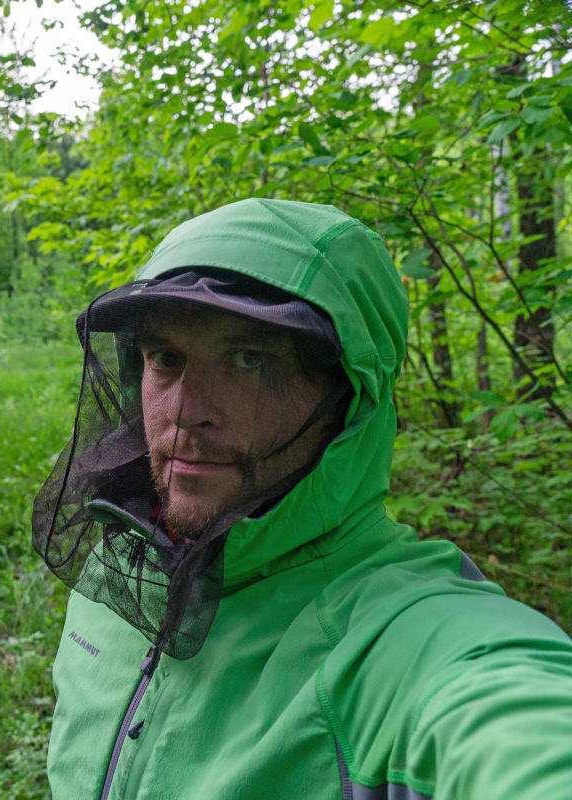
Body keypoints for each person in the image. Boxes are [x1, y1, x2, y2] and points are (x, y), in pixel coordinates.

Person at [31, 198, 572, 800]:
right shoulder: (123, 572)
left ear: (350, 397)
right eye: (167, 358)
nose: (186, 413)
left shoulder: (398, 639)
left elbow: (511, 720)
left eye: (249, 360)